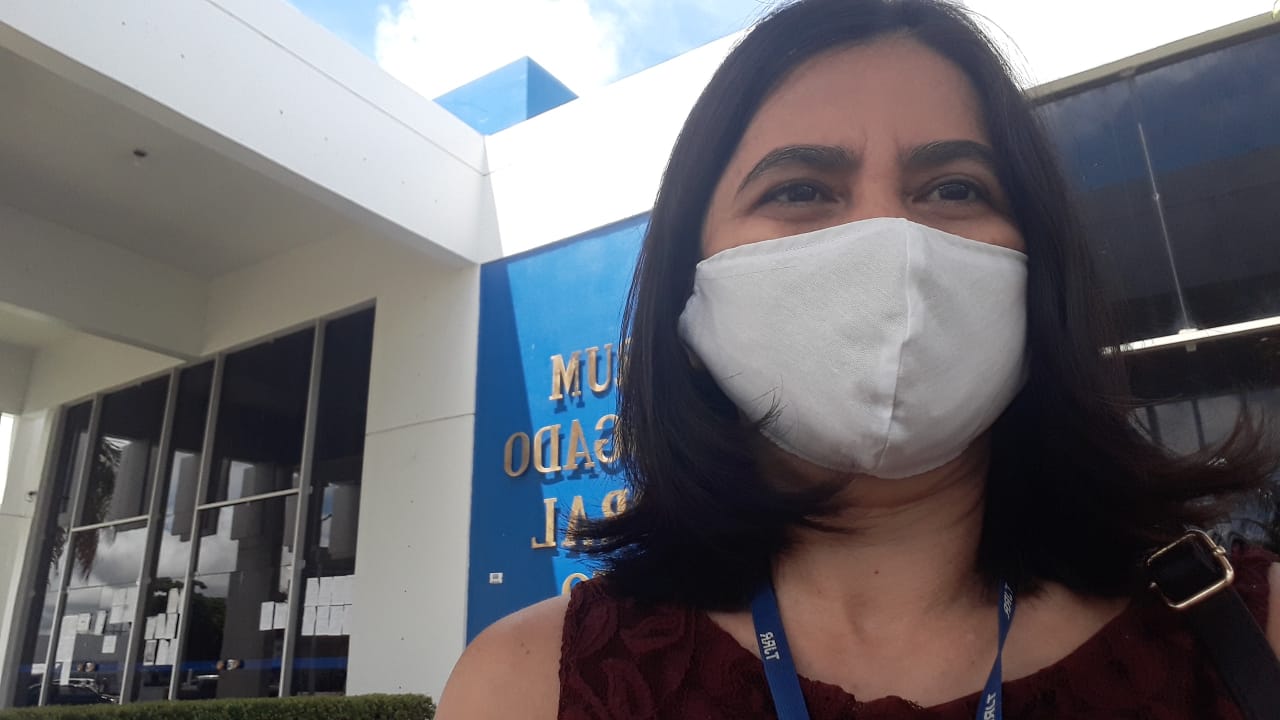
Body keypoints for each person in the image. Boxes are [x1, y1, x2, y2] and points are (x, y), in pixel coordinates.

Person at [438, 0, 1280, 717]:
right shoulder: (524, 688)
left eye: (954, 188)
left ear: (1039, 275)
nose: (891, 241)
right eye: (800, 190)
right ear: (688, 299)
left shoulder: (1248, 637)